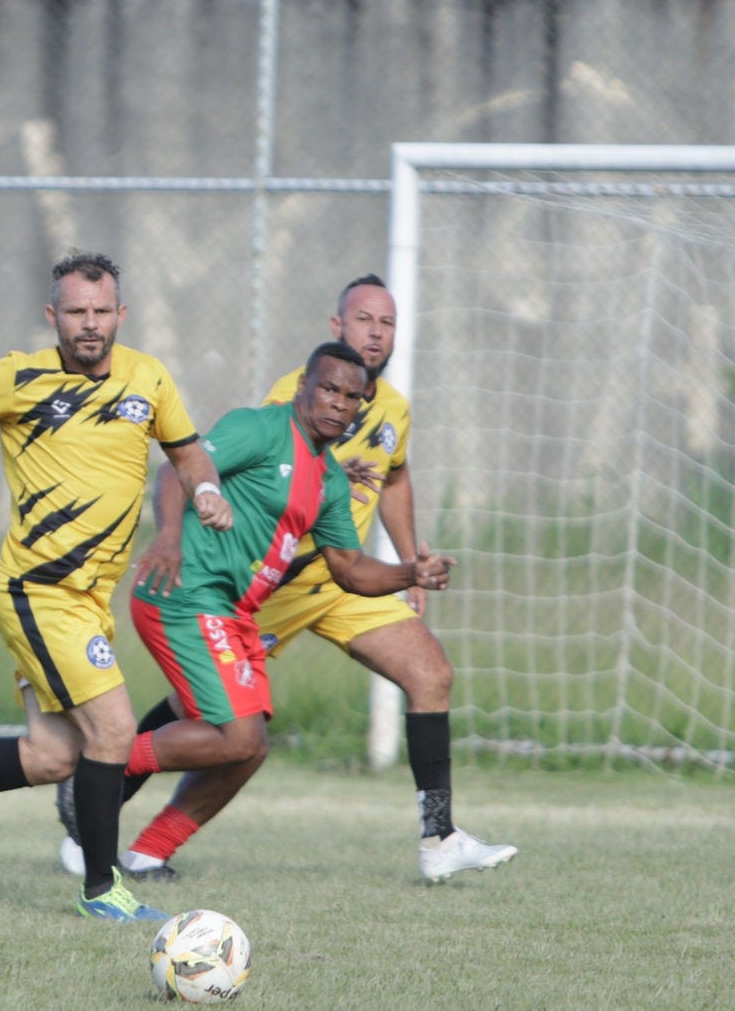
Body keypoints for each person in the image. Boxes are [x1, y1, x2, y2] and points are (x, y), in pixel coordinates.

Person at [56, 276, 517, 884]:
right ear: (331, 338)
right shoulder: (275, 415)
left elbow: (376, 514)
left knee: (420, 677)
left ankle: (439, 836)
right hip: (249, 588)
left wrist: (411, 568)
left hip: (324, 584)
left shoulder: (379, 426)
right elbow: (189, 467)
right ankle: (97, 790)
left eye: (387, 323)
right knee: (222, 726)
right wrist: (170, 534)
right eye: (363, 320)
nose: (375, 333)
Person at [0, 253, 232, 924]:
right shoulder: (19, 376)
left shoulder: (149, 377)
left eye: (101, 311)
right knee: (114, 729)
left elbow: (186, 449)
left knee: (54, 755)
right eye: (76, 311)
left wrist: (204, 488)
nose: (89, 324)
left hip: (89, 599)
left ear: (121, 314)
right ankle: (103, 888)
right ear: (52, 315)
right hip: (39, 591)